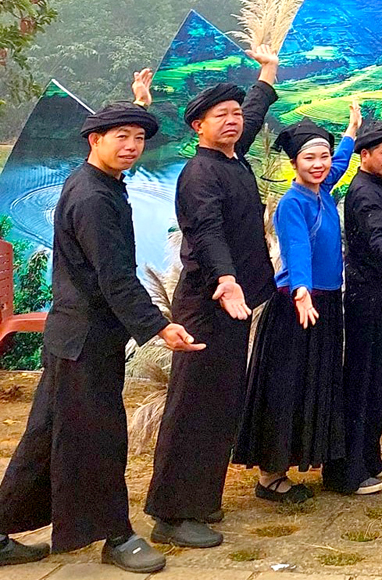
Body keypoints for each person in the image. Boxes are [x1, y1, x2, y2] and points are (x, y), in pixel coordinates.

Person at [0, 77, 204, 574]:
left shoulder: (98, 182)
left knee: (46, 435)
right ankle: (116, 535)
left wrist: (137, 107)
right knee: (100, 437)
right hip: (85, 340)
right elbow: (114, 276)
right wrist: (159, 326)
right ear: (95, 140)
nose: (132, 147)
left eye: (139, 138)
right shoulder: (92, 198)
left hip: (76, 336)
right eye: (122, 138)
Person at [146, 46, 280, 548]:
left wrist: (267, 71)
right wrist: (226, 279)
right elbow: (206, 232)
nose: (232, 121)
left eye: (235, 114)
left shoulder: (234, 156)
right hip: (208, 304)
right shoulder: (199, 174)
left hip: (235, 304)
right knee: (194, 404)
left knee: (221, 402)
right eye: (220, 116)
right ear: (198, 126)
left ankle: (200, 501)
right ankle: (172, 513)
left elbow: (258, 106)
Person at [233, 107, 360, 498]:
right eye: (310, 158)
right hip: (297, 307)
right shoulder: (294, 203)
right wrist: (303, 291)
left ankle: (287, 465)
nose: (320, 164)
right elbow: (296, 250)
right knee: (287, 387)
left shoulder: (322, 189)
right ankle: (270, 477)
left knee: (311, 385)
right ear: (294, 164)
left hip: (323, 304)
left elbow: (339, 163)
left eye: (322, 157)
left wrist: (352, 131)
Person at [323, 66, 382, 496]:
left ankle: (370, 454)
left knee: (379, 379)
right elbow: (376, 232)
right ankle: (346, 470)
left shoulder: (378, 177)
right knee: (362, 381)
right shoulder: (364, 192)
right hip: (368, 298)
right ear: (363, 154)